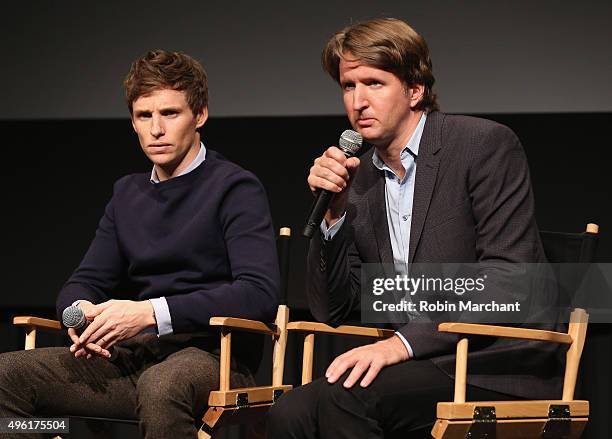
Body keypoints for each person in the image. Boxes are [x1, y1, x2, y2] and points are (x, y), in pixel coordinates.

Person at [267, 18, 561, 438]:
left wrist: (400, 344)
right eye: (349, 86)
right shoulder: (362, 177)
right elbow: (333, 309)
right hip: (421, 363)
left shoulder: (483, 145)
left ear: (414, 90)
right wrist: (334, 214)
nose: (358, 101)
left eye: (374, 83)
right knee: (289, 413)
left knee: (346, 399)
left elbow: (511, 281)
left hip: (494, 360)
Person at [0, 50, 280, 438]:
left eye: (170, 113)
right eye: (144, 116)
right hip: (134, 361)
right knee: (8, 376)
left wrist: (150, 312)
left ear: (199, 116)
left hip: (214, 357)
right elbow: (83, 283)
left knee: (163, 386)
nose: (156, 130)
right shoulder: (127, 194)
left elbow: (259, 293)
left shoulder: (235, 188)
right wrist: (79, 316)